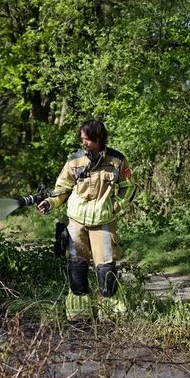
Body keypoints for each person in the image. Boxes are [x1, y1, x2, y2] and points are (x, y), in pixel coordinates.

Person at [38, 119, 135, 320]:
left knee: (106, 270)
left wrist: (115, 206)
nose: (85, 143)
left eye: (88, 139)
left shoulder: (117, 160)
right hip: (75, 222)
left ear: (99, 138)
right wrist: (50, 202)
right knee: (77, 268)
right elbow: (61, 189)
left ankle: (111, 316)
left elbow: (129, 187)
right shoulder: (74, 161)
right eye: (82, 139)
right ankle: (79, 316)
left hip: (104, 221)